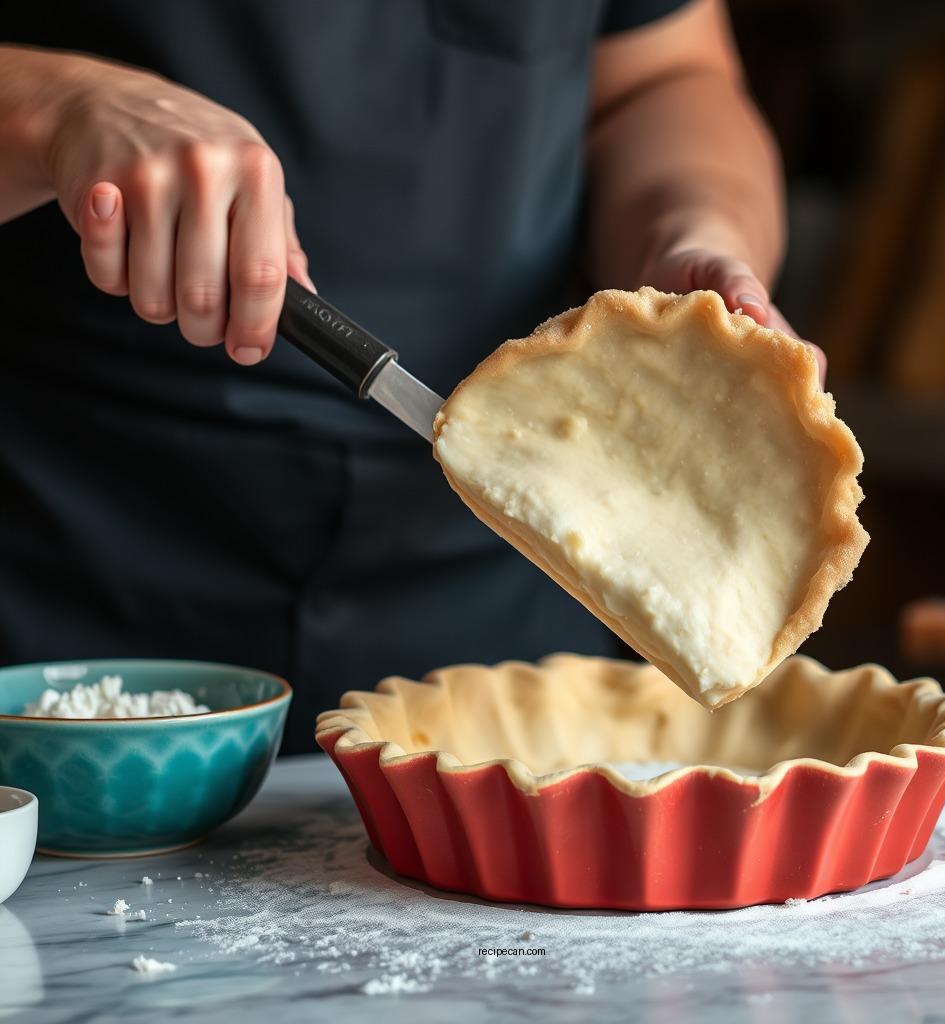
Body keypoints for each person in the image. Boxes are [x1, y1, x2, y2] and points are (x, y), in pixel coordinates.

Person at [0, 0, 822, 754]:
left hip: (506, 593)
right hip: (67, 588)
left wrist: (692, 227)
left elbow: (662, 78)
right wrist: (54, 104)